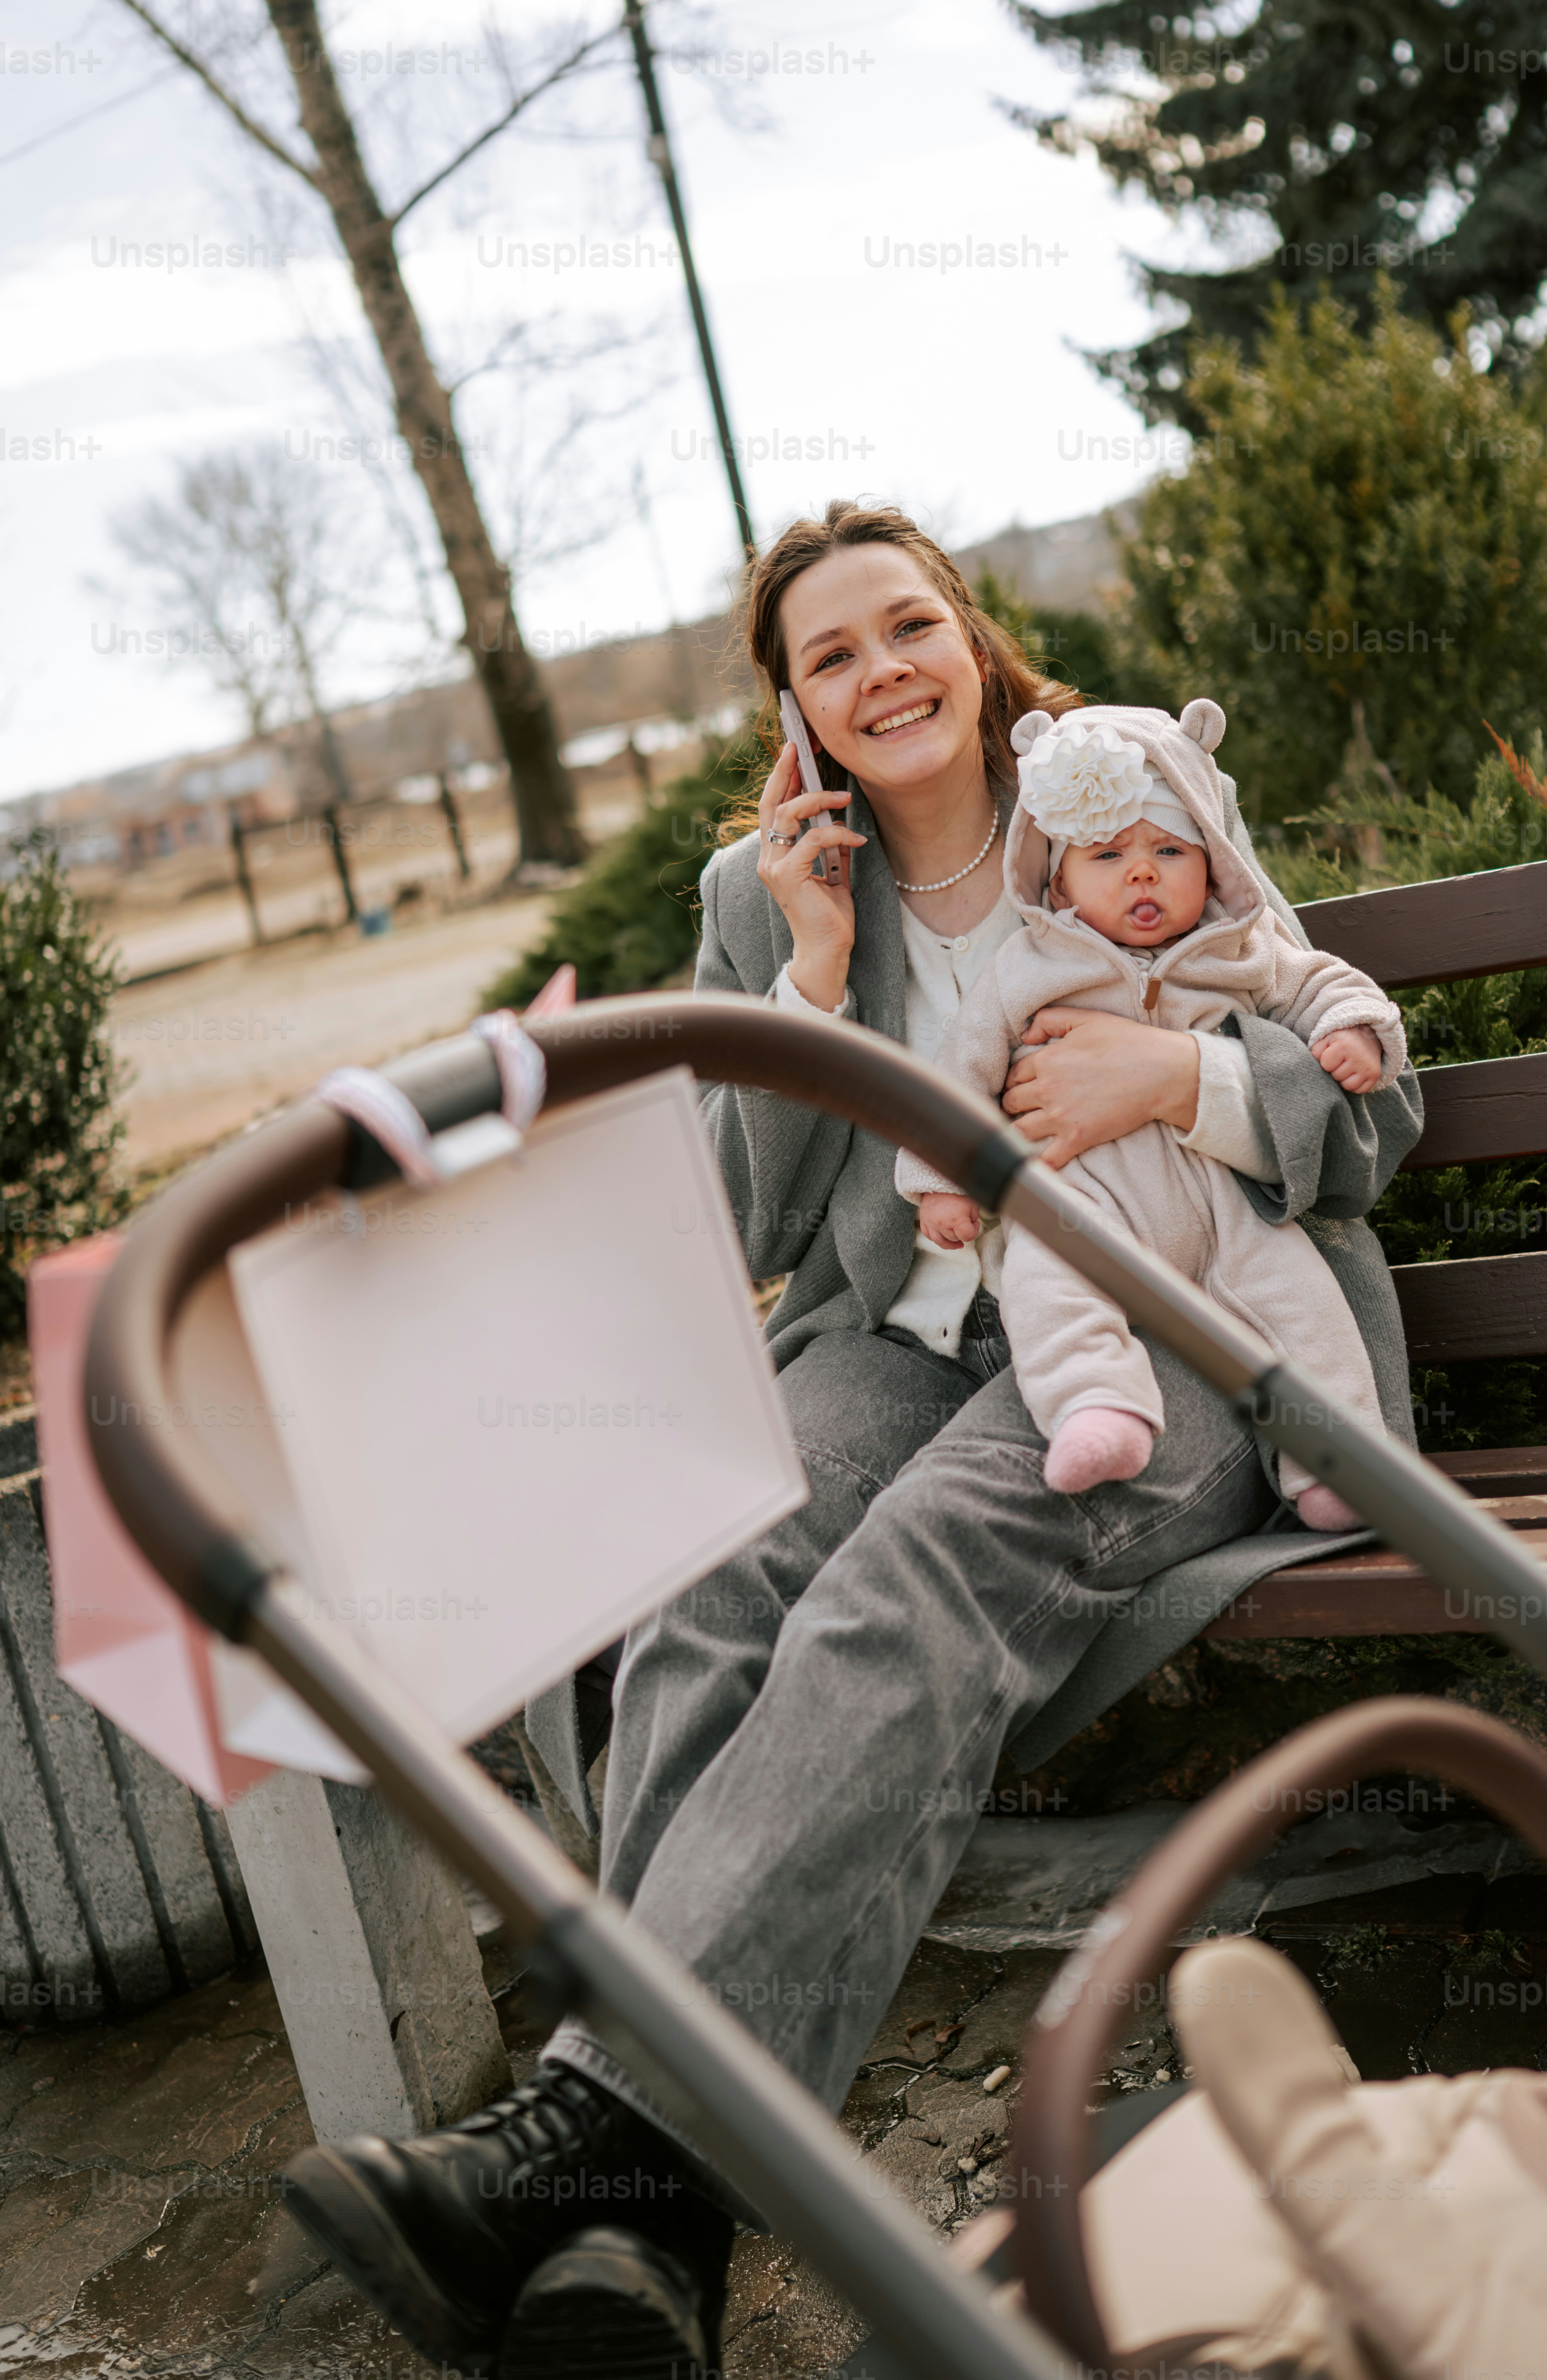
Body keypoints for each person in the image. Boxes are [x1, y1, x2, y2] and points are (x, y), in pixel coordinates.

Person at [281, 502, 1425, 2380]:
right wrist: (808, 970)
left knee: (913, 1584)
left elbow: (1369, 1107)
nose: (883, 672)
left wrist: (1180, 1077)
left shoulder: (1114, 784)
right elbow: (746, 1224)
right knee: (715, 1570)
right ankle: (646, 2238)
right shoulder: (763, 891)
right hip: (899, 1343)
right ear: (794, 710)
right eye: (833, 655)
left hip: (1164, 1326)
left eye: (909, 627)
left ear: (970, 639)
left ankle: (600, 2160)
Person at [897, 698, 1405, 1519]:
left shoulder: (1238, 948)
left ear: (1212, 861)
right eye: (1108, 854)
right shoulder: (1028, 966)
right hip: (1087, 1197)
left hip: (1227, 1200)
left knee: (1303, 1303)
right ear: (1058, 877)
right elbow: (962, 1072)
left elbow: (1317, 980)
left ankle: (1336, 1465)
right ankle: (1099, 1408)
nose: (1143, 872)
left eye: (1170, 850)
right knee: (1046, 1277)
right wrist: (941, 1180)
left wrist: (1353, 1028)